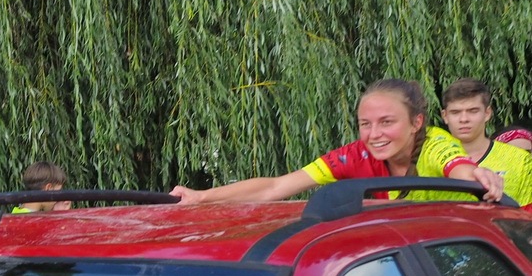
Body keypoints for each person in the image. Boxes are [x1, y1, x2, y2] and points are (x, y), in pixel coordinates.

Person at [171, 78, 506, 207]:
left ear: (416, 123)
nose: (374, 135)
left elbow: (458, 166)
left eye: (387, 122)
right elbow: (276, 187)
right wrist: (201, 196)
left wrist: (479, 176)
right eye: (365, 124)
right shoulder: (353, 156)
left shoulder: (435, 142)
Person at [436, 78, 532, 203]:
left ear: (487, 113)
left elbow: (527, 213)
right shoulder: (429, 159)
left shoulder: (520, 160)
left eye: (473, 111)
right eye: (455, 112)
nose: (464, 119)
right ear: (445, 116)